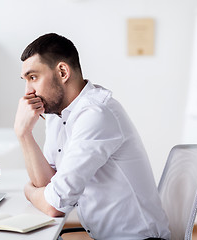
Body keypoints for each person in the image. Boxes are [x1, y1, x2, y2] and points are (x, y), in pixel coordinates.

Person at [14, 33, 170, 240]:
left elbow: (54, 205)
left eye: (33, 78)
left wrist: (28, 191)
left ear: (62, 72)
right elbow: (47, 183)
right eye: (25, 80)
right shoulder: (58, 114)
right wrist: (24, 134)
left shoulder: (96, 114)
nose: (28, 92)